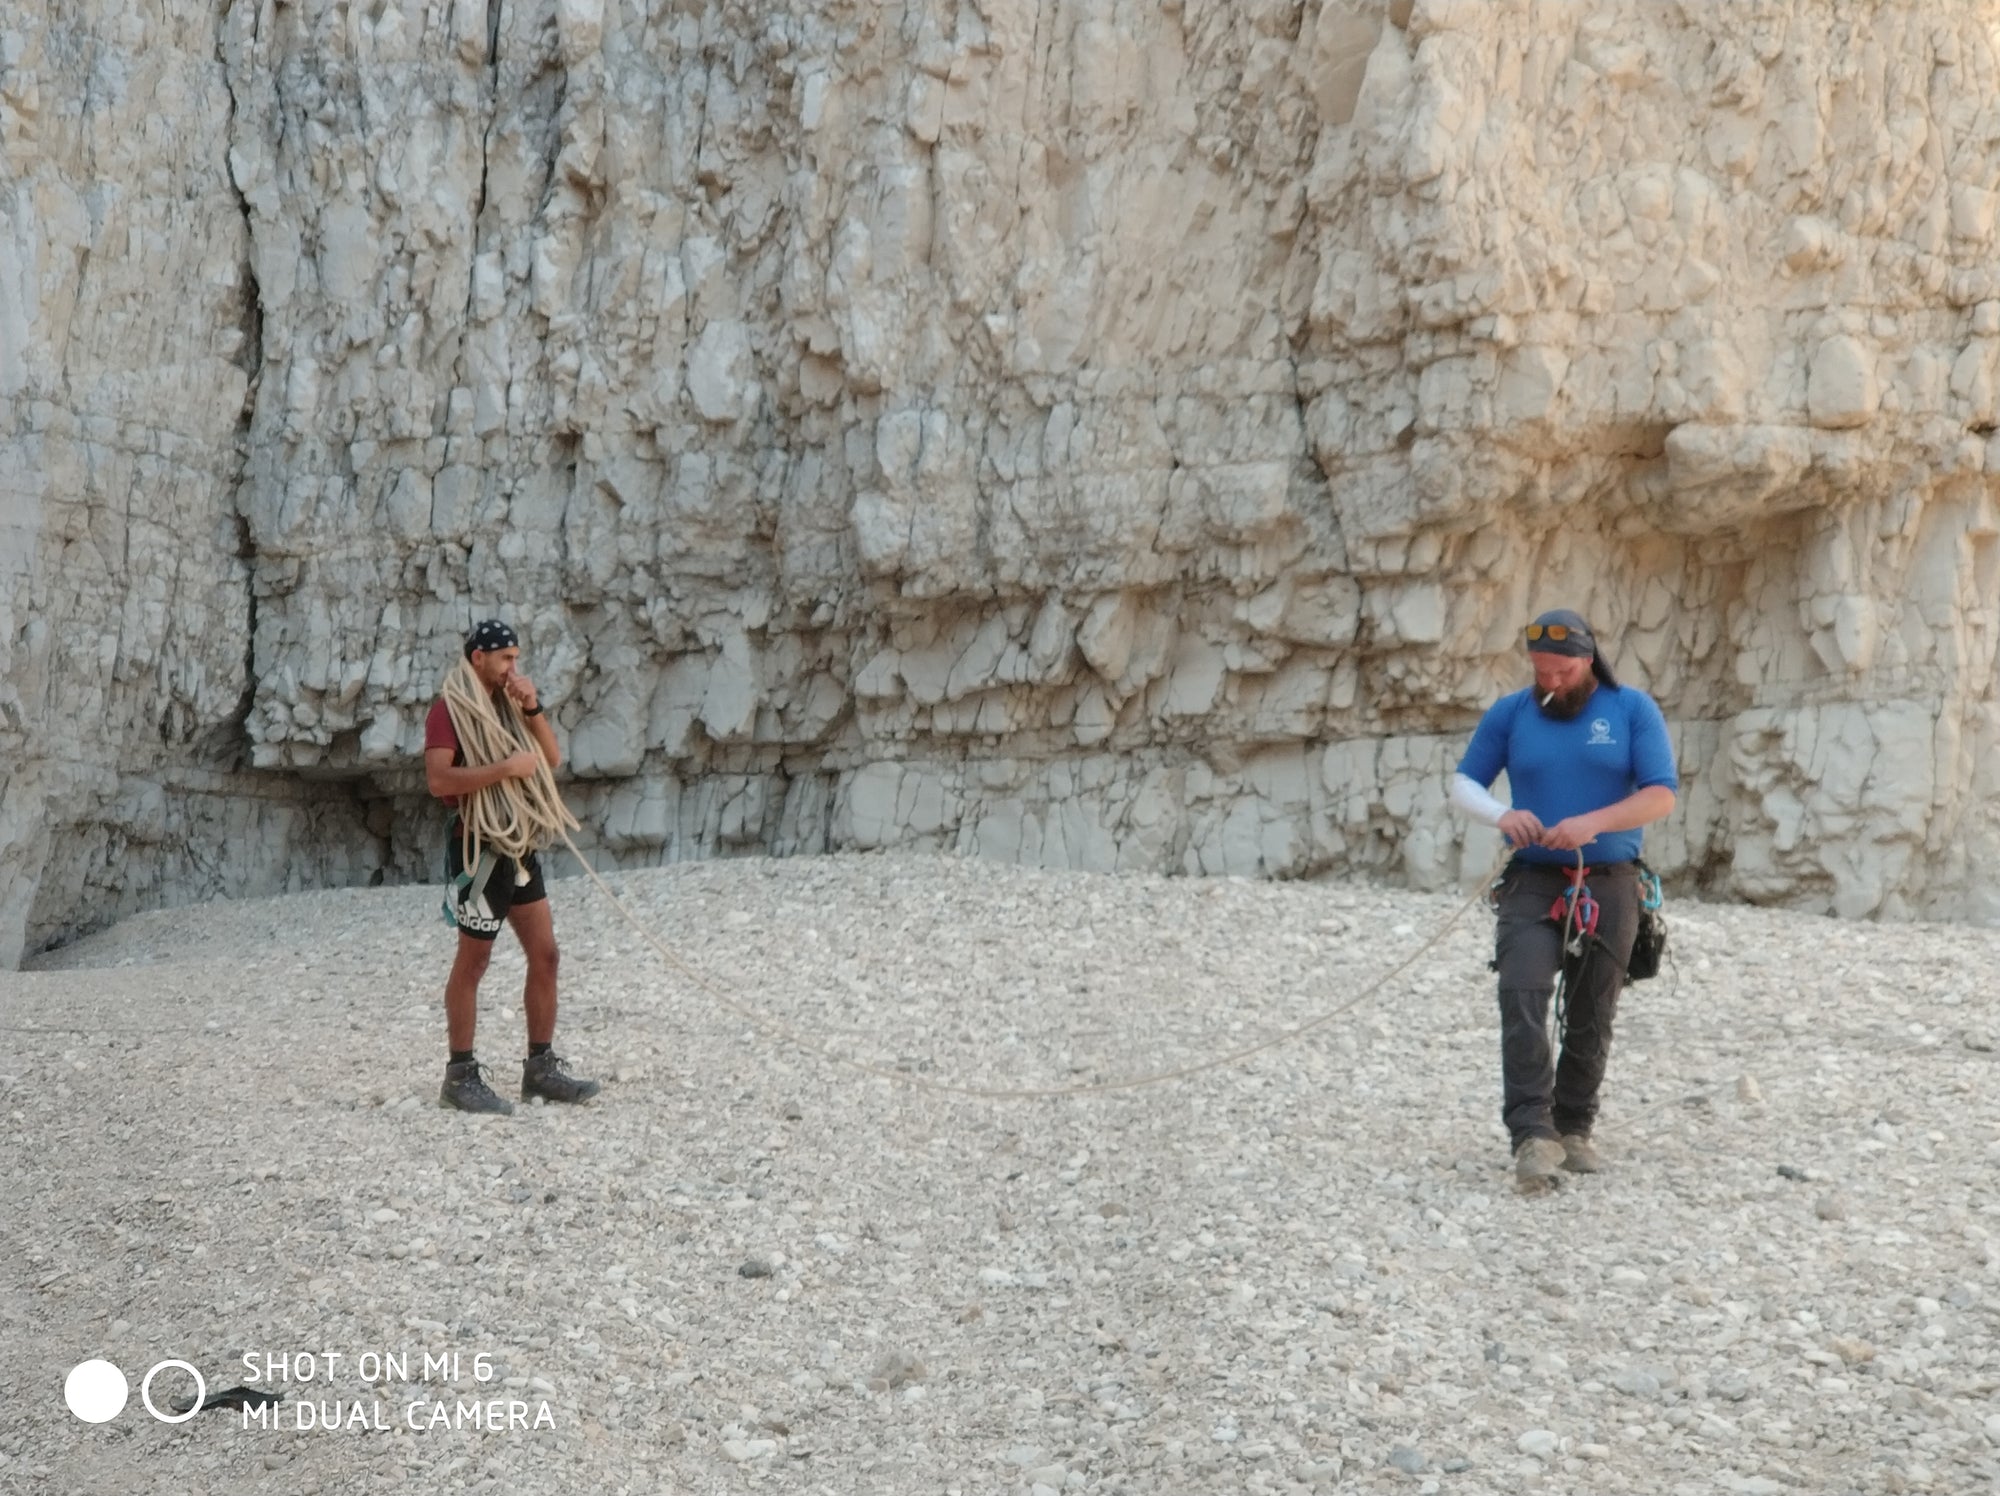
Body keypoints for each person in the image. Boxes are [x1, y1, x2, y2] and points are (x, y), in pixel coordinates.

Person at [1450, 608, 1677, 1187]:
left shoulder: (1632, 710)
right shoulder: (1511, 712)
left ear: (1589, 659)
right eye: (1542, 671)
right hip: (1532, 877)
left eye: (1563, 671)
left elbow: (1660, 796)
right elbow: (1464, 782)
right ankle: (1532, 1133)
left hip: (1610, 879)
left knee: (1592, 1008)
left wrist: (1591, 824)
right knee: (1520, 990)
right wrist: (1504, 815)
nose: (1551, 682)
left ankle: (1574, 1125)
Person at [424, 619, 600, 1114]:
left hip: (518, 846)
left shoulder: (507, 705)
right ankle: (459, 1076)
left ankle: (540, 1070)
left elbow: (549, 757)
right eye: (505, 658)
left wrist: (532, 706)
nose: (512, 668)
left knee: (546, 955)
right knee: (473, 962)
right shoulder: (449, 710)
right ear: (477, 658)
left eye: (516, 658)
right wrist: (504, 768)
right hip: (479, 848)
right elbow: (439, 780)